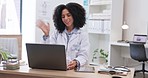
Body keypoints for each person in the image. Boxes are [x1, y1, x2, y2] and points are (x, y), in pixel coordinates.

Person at [36, 2, 90, 70]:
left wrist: (76, 62)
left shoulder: (82, 34)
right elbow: (48, 51)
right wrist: (46, 35)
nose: (66, 18)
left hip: (73, 71)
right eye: (63, 16)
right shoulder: (57, 33)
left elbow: (84, 55)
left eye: (68, 15)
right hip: (57, 69)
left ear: (75, 15)